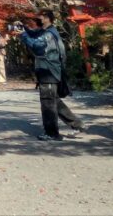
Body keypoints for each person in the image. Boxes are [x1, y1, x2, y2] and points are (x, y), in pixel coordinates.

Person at [20, 10, 86, 141]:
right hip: (48, 71)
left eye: (40, 17)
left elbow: (37, 46)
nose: (37, 19)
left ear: (46, 19)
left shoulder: (49, 34)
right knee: (55, 101)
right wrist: (25, 29)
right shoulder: (47, 31)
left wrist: (23, 35)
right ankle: (77, 124)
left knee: (48, 103)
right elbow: (35, 34)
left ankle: (51, 133)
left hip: (48, 71)